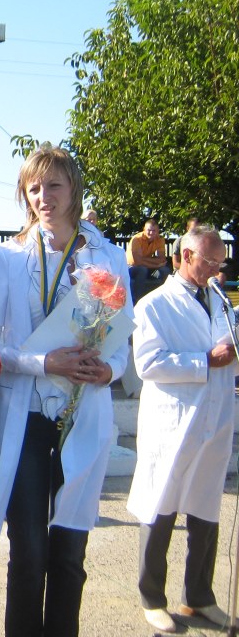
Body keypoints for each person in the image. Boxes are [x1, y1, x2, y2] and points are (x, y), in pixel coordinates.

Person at [0, 145, 132, 637]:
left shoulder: (107, 256)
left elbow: (124, 337)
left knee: (70, 553)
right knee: (29, 552)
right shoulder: (8, 257)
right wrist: (42, 363)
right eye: (33, 188)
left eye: (53, 185)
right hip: (27, 419)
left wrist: (109, 370)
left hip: (83, 415)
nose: (43, 196)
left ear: (73, 188)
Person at [126, 224, 237, 633]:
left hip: (214, 417)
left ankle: (199, 597)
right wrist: (205, 360)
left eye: (221, 262)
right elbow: (148, 363)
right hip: (173, 423)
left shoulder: (220, 300)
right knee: (161, 507)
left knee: (206, 508)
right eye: (210, 261)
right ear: (186, 256)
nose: (216, 270)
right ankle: (152, 598)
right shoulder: (154, 305)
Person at [127, 218, 170, 293]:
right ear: (144, 229)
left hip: (147, 266)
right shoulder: (136, 239)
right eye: (149, 230)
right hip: (131, 268)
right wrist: (157, 265)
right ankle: (138, 298)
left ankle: (165, 295)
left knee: (165, 270)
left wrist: (143, 259)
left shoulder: (160, 239)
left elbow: (162, 259)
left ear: (158, 231)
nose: (151, 233)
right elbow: (137, 262)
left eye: (154, 231)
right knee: (142, 270)